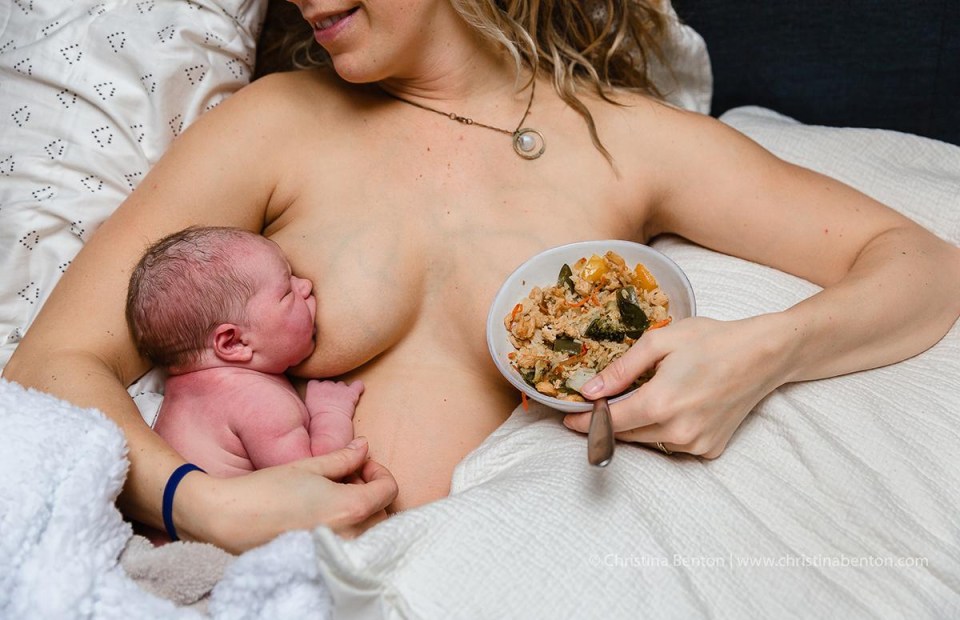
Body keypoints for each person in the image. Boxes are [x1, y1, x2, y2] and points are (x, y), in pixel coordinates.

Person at [5, 0, 959, 555]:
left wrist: (762, 354)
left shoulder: (631, 142)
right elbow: (53, 361)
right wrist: (202, 501)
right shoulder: (276, 123)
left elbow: (921, 266)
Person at [126, 226, 364, 478]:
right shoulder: (259, 403)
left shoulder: (180, 398)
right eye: (286, 293)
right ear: (233, 343)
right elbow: (315, 478)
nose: (305, 285)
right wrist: (329, 413)